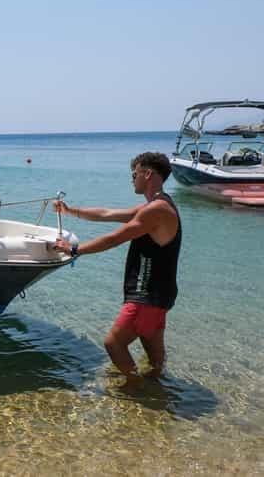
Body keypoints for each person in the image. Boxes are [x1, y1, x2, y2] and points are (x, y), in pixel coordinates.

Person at [53, 152, 182, 383]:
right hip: (159, 293)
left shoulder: (156, 210)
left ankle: (136, 387)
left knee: (114, 343)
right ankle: (158, 388)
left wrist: (74, 250)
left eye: (134, 174)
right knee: (154, 355)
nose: (132, 179)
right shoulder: (155, 206)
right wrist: (70, 211)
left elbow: (114, 239)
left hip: (146, 294)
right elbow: (107, 214)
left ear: (148, 174)